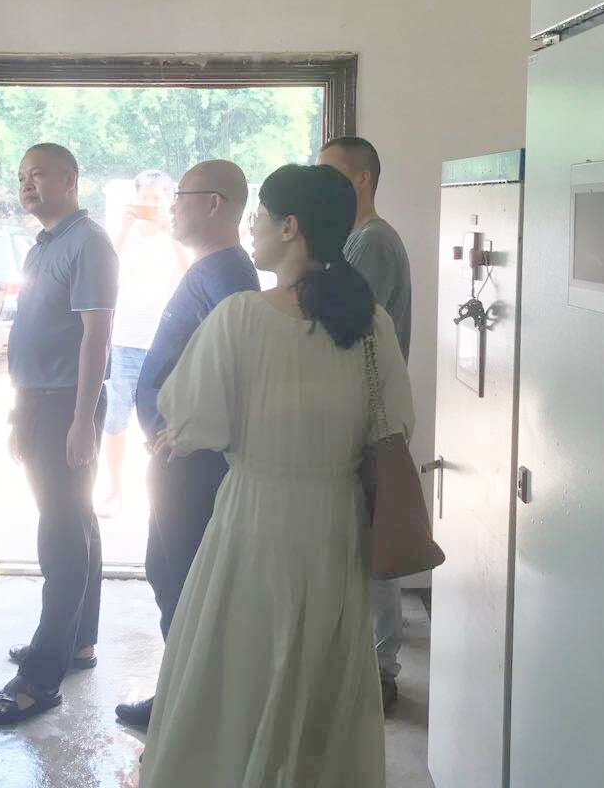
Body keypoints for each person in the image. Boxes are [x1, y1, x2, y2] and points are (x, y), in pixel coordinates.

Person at [138, 164, 415, 787]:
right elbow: (394, 422)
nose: (252, 228)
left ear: (290, 227)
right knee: (318, 669)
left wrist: (179, 435)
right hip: (334, 520)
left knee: (242, 661)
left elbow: (193, 422)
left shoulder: (240, 317)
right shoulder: (370, 324)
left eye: (260, 216)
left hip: (254, 517)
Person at [0, 143, 118, 725]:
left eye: (37, 174)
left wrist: (82, 419)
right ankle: (78, 642)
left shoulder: (89, 243)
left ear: (70, 179)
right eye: (21, 177)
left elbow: (96, 338)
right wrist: (18, 413)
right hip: (38, 401)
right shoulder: (45, 244)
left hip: (66, 405)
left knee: (61, 535)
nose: (26, 185)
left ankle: (41, 678)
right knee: (74, 521)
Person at [114, 160, 259, 730]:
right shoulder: (212, 267)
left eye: (182, 195)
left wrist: (188, 432)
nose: (171, 205)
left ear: (214, 203)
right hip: (178, 454)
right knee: (169, 571)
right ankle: (184, 694)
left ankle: (192, 708)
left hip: (194, 461)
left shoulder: (228, 275)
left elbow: (237, 370)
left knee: (185, 580)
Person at [319, 135, 413, 711]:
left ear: (362, 179)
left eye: (330, 173)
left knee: (377, 543)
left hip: (371, 416)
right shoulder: (355, 240)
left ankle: (381, 670)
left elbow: (346, 329)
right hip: (361, 411)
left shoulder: (372, 242)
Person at [98, 169, 188, 517]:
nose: (150, 203)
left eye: (157, 198)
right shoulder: (123, 234)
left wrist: (171, 234)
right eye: (145, 197)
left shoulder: (176, 237)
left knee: (163, 424)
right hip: (123, 341)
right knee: (114, 421)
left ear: (169, 201)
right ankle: (114, 490)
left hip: (162, 345)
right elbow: (104, 268)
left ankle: (163, 497)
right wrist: (123, 228)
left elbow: (190, 273)